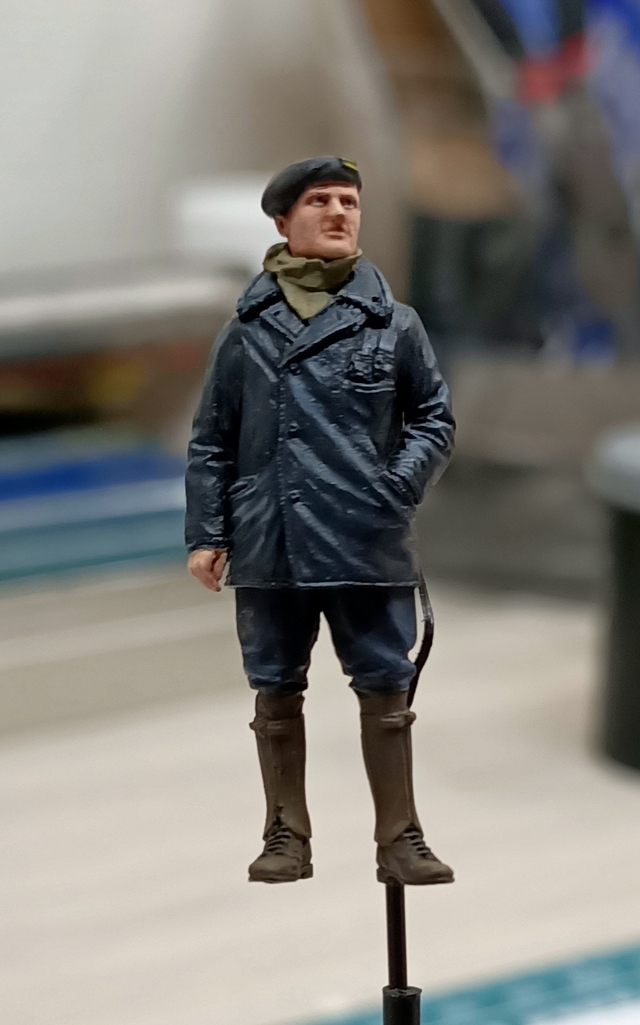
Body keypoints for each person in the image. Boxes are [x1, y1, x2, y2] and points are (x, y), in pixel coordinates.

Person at [185, 156, 455, 886]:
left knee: (385, 685)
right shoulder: (245, 332)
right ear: (283, 221)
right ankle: (286, 833)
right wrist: (208, 532)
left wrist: (394, 487)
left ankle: (400, 835)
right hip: (270, 538)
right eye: (320, 201)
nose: (339, 212)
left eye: (349, 201)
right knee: (275, 687)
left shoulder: (394, 323)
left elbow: (434, 418)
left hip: (367, 537)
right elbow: (212, 440)